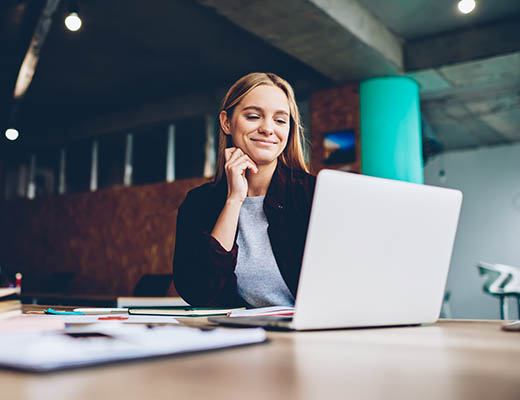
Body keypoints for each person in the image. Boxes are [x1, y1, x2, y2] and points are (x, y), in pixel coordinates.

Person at [172, 72, 316, 307]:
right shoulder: (199, 202)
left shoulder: (313, 195)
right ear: (226, 122)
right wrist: (234, 200)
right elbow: (199, 292)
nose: (268, 129)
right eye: (253, 116)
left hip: (312, 336)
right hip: (240, 336)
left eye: (280, 120)